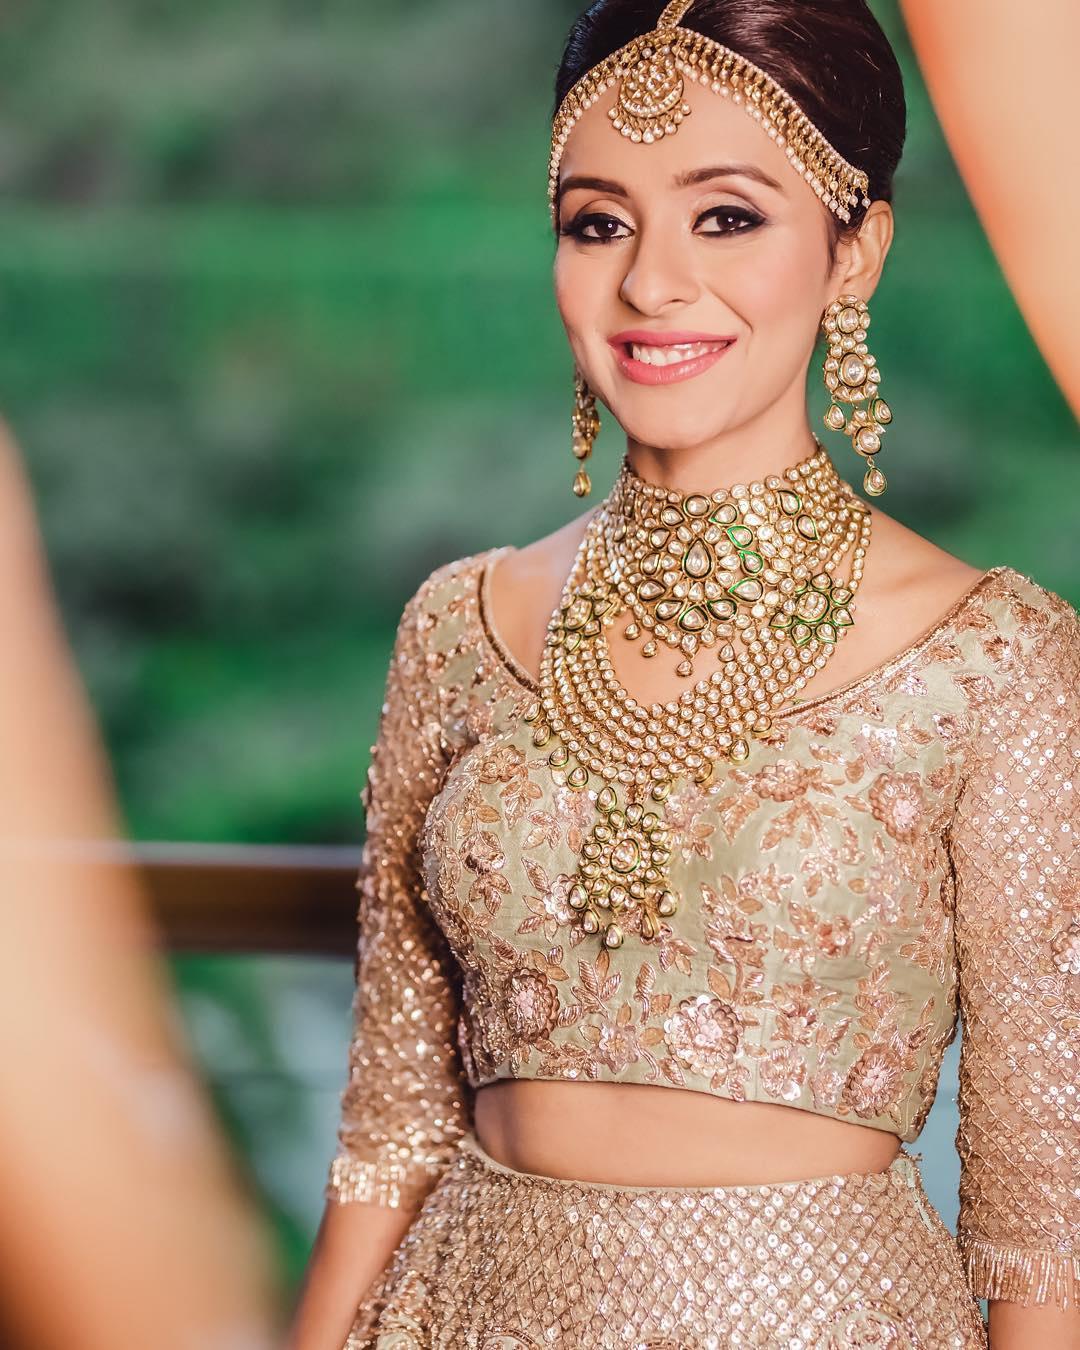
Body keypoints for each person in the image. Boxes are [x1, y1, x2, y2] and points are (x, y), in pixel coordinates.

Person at [289, 2, 1079, 1346]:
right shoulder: (456, 627)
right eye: (599, 222)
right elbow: (386, 1138)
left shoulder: (993, 659)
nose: (652, 283)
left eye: (726, 217)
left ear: (854, 252)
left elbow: (1037, 1228)